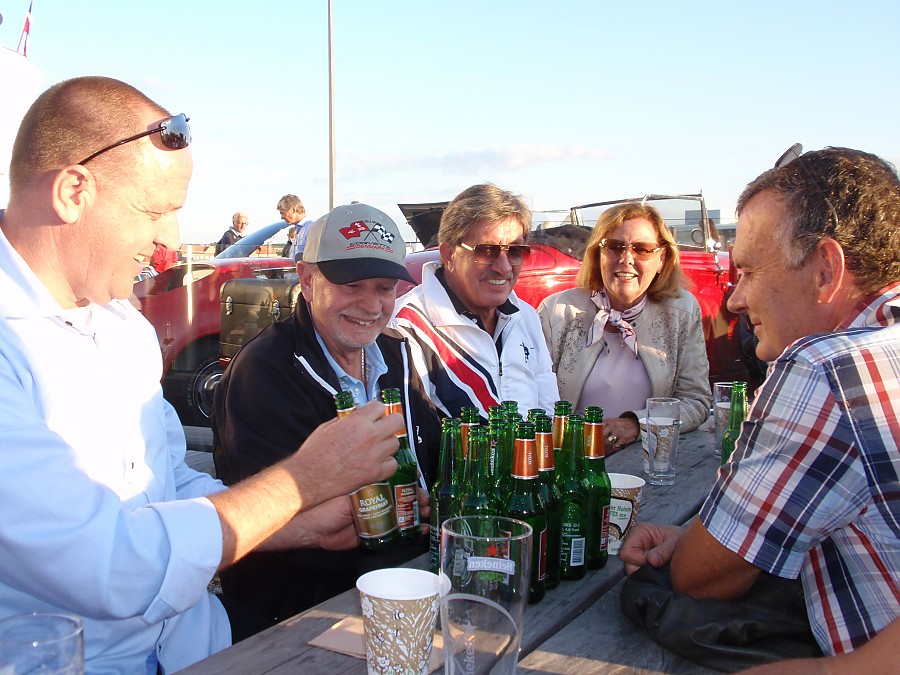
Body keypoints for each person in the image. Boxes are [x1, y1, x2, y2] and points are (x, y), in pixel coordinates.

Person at [0, 76, 406, 673]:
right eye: (155, 211)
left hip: (200, 644)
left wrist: (293, 526)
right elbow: (107, 564)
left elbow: (170, 487)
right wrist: (302, 480)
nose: (169, 241)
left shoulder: (121, 325)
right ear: (71, 191)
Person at [620, 146, 900, 658]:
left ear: (825, 270)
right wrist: (705, 538)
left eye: (748, 272)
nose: (734, 300)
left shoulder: (826, 369)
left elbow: (703, 577)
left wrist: (700, 545)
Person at [212, 202, 442, 622]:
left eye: (385, 288)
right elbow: (272, 523)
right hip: (302, 614)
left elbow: (431, 454)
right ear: (306, 279)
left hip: (405, 581)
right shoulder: (262, 371)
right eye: (352, 285)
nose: (371, 305)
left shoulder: (396, 351)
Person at [537, 202, 711, 452]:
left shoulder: (681, 311)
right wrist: (580, 440)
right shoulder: (557, 311)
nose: (627, 259)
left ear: (661, 259)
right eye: (614, 247)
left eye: (642, 249)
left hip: (646, 461)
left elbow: (695, 401)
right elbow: (533, 402)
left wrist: (638, 425)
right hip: (572, 460)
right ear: (597, 256)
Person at [392, 183, 559, 418]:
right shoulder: (405, 326)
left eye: (515, 251)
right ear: (449, 255)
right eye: (487, 251)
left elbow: (549, 413)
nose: (504, 268)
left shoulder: (526, 316)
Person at [278, 193, 314, 260]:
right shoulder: (299, 230)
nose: (282, 217)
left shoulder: (312, 229)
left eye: (283, 213)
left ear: (293, 209)